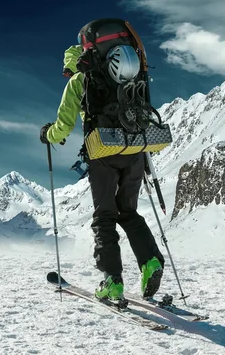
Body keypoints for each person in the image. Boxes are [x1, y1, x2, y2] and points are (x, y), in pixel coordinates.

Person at [40, 40, 165, 301]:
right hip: (135, 150)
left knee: (105, 216)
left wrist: (47, 134)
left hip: (103, 152)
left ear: (74, 61)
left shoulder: (79, 81)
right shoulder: (127, 75)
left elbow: (63, 127)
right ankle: (151, 261)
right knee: (129, 212)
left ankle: (112, 281)